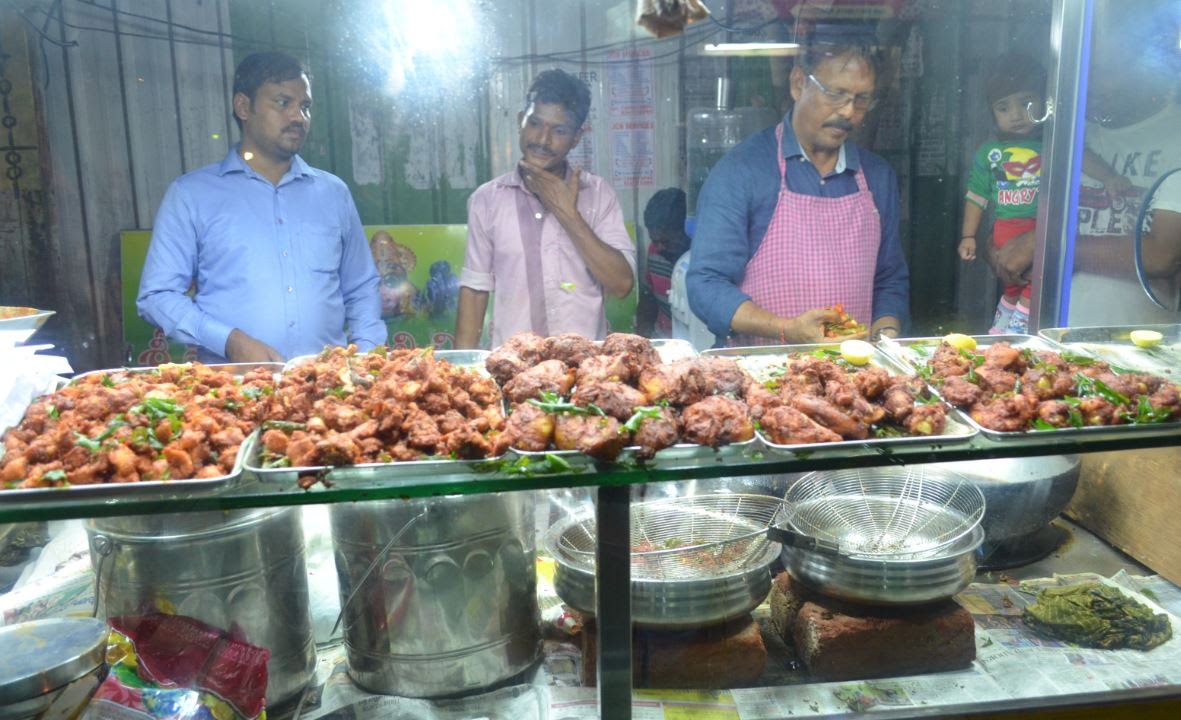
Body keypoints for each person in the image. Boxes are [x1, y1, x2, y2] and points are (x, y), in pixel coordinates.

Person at [137, 51, 385, 362]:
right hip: (233, 394)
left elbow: (361, 286)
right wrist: (229, 341)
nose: (298, 117)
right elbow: (157, 296)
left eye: (305, 107)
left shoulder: (333, 193)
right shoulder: (192, 195)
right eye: (283, 103)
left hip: (328, 391)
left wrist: (365, 355)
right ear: (243, 106)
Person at [686, 36, 908, 346]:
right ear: (798, 83)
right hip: (760, 376)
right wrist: (786, 329)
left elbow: (889, 280)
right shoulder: (742, 171)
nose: (848, 111)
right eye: (836, 94)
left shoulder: (877, 177)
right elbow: (706, 285)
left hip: (849, 378)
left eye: (861, 99)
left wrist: (886, 341)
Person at [986, 2, 1181, 325]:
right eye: (1088, 68)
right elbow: (1016, 207)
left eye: (1106, 68)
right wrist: (998, 249)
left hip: (1133, 350)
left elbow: (1165, 254)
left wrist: (1045, 245)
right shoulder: (1072, 133)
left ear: (1146, 62)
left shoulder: (1175, 134)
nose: (1092, 83)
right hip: (1051, 337)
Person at [454, 69, 636, 349]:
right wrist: (462, 372)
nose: (542, 139)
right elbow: (475, 291)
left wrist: (568, 214)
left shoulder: (598, 195)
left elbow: (622, 284)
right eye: (535, 124)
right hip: (514, 369)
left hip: (585, 374)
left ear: (576, 138)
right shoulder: (487, 200)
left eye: (559, 131)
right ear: (520, 122)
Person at [958, 53, 1046, 334]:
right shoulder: (988, 153)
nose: (1017, 115)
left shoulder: (1054, 145)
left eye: (1026, 103)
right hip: (1005, 229)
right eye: (1003, 108)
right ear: (992, 114)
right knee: (1016, 280)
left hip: (1035, 229)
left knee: (1034, 278)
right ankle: (1015, 325)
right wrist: (968, 236)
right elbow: (977, 196)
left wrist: (1109, 177)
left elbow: (1087, 161)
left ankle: (1006, 327)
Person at [636, 188, 691, 337]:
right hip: (661, 337)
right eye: (655, 240)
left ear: (685, 231)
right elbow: (648, 296)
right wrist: (643, 332)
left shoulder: (697, 260)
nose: (659, 247)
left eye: (666, 242)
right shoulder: (654, 250)